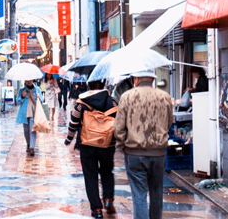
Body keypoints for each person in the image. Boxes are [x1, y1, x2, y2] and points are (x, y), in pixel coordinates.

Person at [114, 70, 173, 219]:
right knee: (156, 192)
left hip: (134, 152)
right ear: (153, 79)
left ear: (136, 78)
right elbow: (169, 122)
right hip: (158, 153)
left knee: (139, 195)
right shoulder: (165, 97)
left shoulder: (127, 97)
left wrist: (121, 144)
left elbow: (119, 127)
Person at [65, 80, 117, 218]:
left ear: (89, 84)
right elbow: (119, 123)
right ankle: (108, 199)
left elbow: (73, 123)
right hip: (107, 145)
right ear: (103, 84)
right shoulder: (112, 102)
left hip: (87, 145)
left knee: (90, 176)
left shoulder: (81, 104)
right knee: (107, 172)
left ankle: (97, 209)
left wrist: (68, 140)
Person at [16, 79, 44, 156]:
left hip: (34, 112)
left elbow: (41, 101)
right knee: (26, 130)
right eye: (27, 80)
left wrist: (38, 98)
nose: (28, 81)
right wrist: (22, 96)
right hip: (24, 113)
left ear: (32, 79)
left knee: (32, 130)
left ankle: (32, 147)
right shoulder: (22, 89)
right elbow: (17, 101)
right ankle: (28, 143)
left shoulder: (37, 89)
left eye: (30, 80)